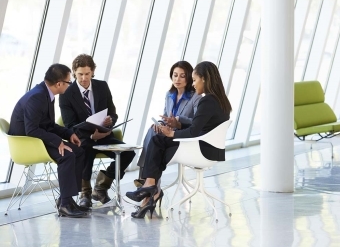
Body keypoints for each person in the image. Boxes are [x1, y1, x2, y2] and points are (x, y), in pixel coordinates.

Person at [126, 61, 232, 219]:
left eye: (195, 80)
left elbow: (195, 130)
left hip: (201, 149)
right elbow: (201, 124)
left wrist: (172, 134)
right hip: (210, 147)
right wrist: (177, 125)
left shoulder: (206, 100)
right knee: (158, 139)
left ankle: (150, 186)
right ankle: (150, 188)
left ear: (204, 79)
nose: (194, 84)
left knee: (158, 141)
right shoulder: (220, 100)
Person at [8, 63, 87, 218]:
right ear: (59, 84)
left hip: (38, 138)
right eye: (69, 82)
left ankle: (67, 199)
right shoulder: (37, 97)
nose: (70, 85)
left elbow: (48, 124)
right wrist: (58, 141)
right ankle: (65, 204)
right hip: (28, 143)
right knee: (67, 155)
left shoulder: (47, 94)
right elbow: (31, 130)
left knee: (79, 152)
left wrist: (68, 133)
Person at [59, 54, 135, 208]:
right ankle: (85, 193)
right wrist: (92, 135)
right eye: (80, 74)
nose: (84, 78)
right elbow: (70, 125)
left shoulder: (102, 86)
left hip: (104, 135)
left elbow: (113, 112)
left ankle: (101, 187)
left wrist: (110, 121)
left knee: (128, 153)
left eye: (87, 74)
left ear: (93, 72)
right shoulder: (66, 93)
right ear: (74, 73)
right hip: (82, 138)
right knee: (86, 148)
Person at [134, 61, 201, 189]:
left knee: (155, 137)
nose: (177, 79)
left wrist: (179, 120)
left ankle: (146, 179)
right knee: (153, 130)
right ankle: (150, 182)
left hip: (183, 135)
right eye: (175, 75)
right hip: (168, 134)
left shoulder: (195, 97)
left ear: (189, 77)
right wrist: (160, 123)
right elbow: (165, 116)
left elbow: (198, 122)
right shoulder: (169, 95)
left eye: (182, 76)